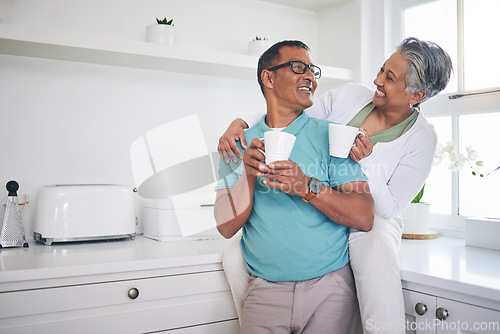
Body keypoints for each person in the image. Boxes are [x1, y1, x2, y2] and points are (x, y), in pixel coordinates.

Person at [218, 37, 453, 333]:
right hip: (328, 193)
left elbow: (389, 207)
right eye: (382, 69)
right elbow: (289, 116)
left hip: (375, 214)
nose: (376, 80)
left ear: (416, 95)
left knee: (375, 246)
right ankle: (265, 313)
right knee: (233, 255)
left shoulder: (422, 139)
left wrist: (365, 162)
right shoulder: (350, 96)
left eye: (389, 78)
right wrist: (239, 123)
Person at [214, 40, 374, 333]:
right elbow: (225, 226)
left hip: (330, 290)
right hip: (264, 293)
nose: (310, 77)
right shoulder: (237, 146)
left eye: (313, 70)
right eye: (299, 67)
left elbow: (364, 215)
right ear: (269, 77)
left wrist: (306, 186)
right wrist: (248, 175)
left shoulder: (332, 137)